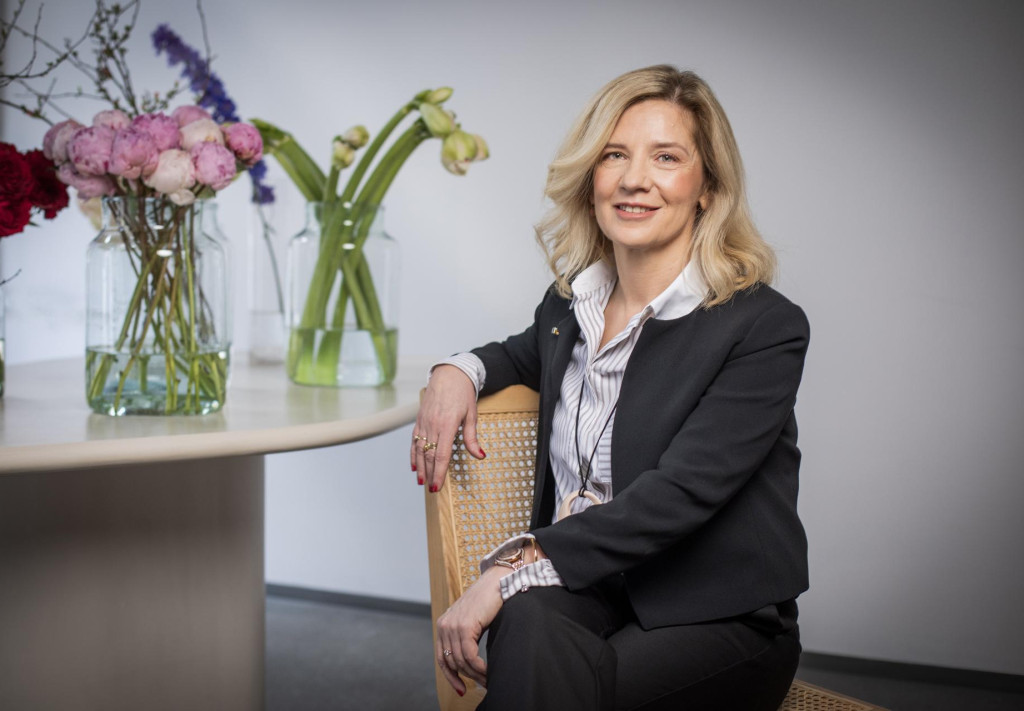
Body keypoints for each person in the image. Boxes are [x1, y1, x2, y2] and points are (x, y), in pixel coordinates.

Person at [412, 65, 810, 711]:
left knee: (543, 666)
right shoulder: (570, 306)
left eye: (666, 157)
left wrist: (512, 566)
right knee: (534, 622)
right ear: (591, 176)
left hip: (713, 616)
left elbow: (681, 493)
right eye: (614, 155)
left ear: (707, 187)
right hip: (590, 590)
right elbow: (512, 356)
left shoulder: (762, 326)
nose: (633, 179)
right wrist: (454, 371)